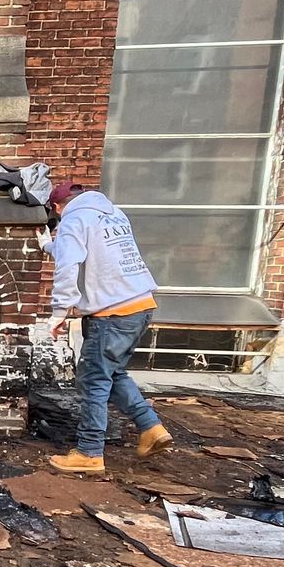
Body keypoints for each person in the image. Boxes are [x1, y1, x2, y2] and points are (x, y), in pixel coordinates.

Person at [43, 180, 173, 474]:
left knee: (93, 380)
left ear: (57, 207)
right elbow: (91, 250)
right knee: (112, 373)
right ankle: (151, 428)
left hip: (112, 314)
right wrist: (49, 245)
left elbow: (68, 264)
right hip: (140, 306)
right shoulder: (113, 213)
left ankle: (89, 452)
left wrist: (60, 311)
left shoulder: (73, 219)